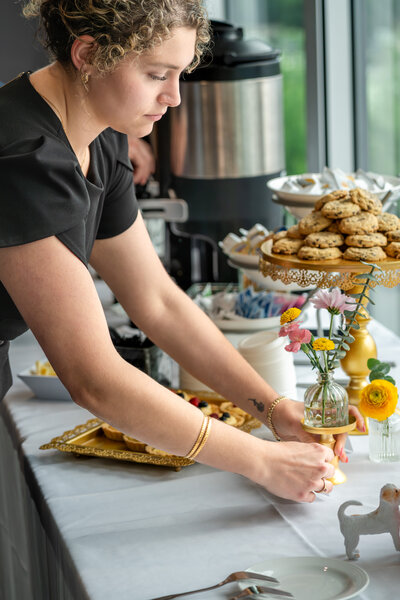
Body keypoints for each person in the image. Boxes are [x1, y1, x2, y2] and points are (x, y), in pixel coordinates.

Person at [0, 0, 363, 503]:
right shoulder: (25, 158)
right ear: (88, 54)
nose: (173, 97)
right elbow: (93, 380)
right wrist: (260, 460)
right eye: (156, 74)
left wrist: (273, 408)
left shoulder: (97, 133)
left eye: (179, 74)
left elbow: (157, 301)